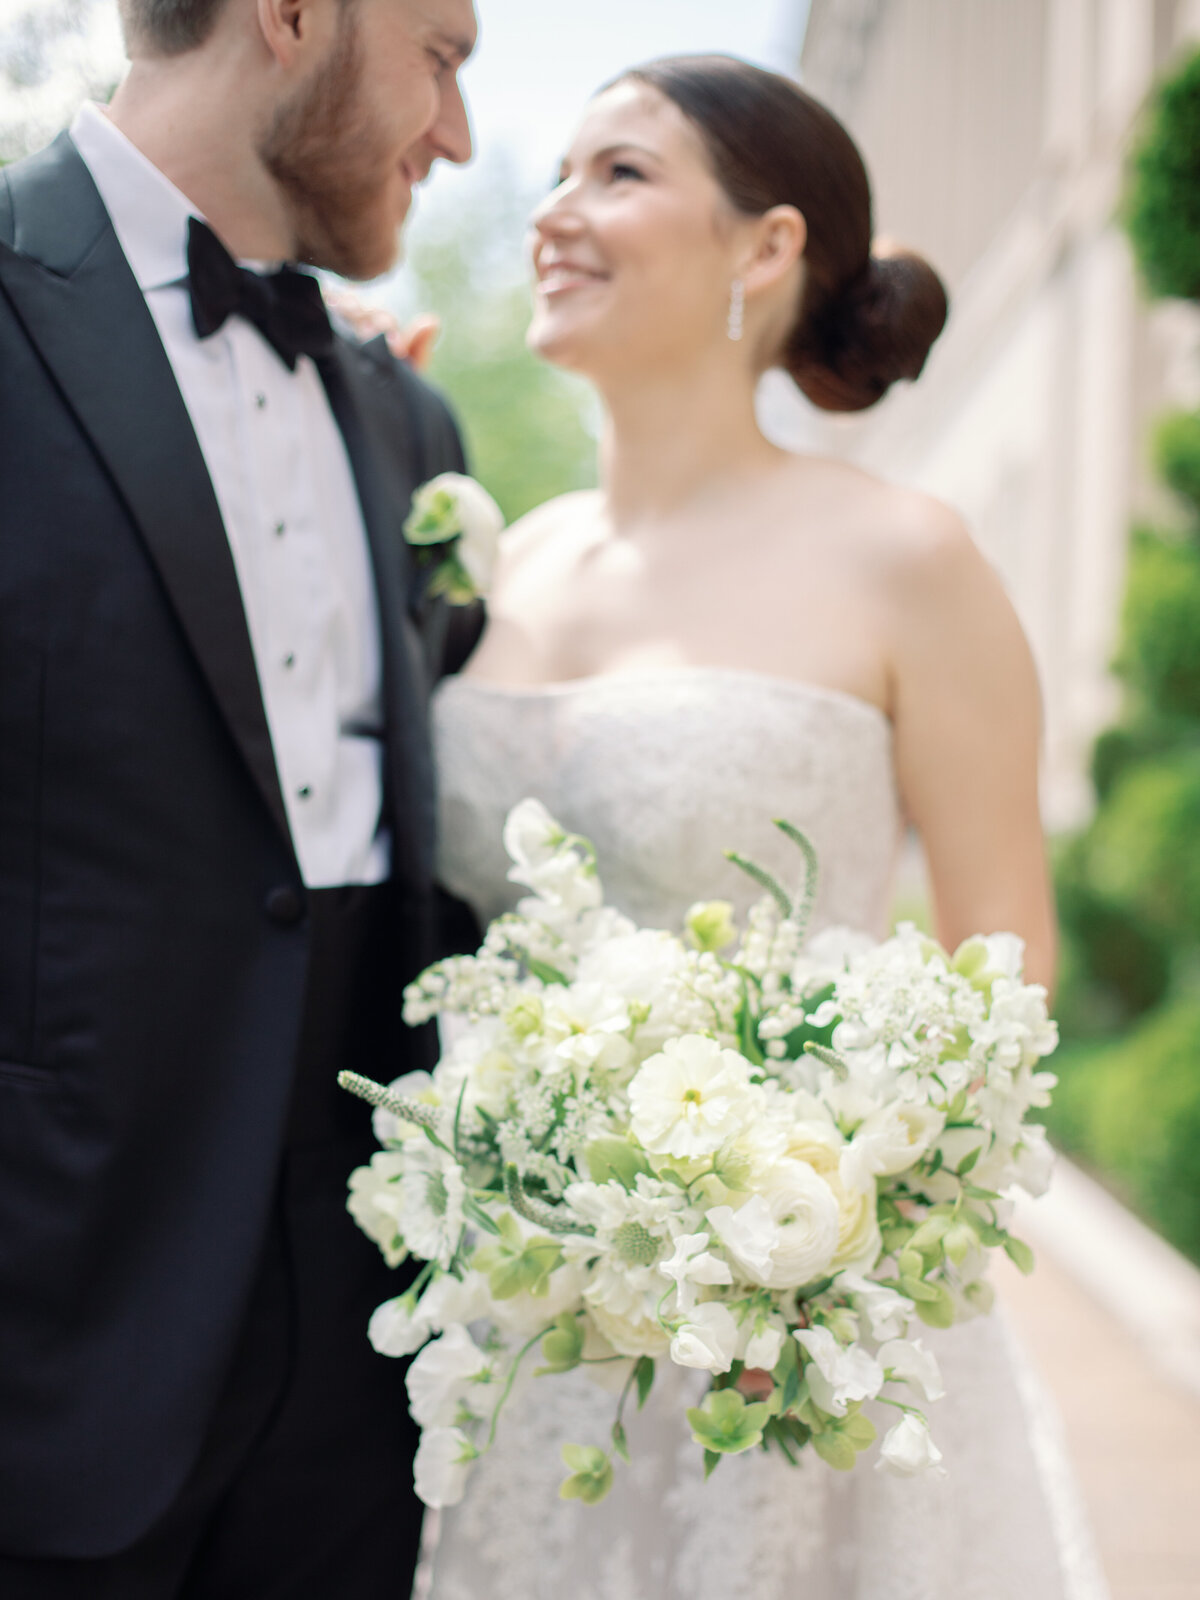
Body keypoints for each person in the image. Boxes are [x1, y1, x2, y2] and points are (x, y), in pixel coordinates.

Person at [420, 56, 1107, 1600]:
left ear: (766, 247)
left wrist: (807, 1226)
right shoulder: (509, 563)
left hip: (793, 1331)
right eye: (558, 175)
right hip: (522, 1318)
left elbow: (1006, 957)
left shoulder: (906, 558)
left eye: (620, 175)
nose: (553, 215)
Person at [0, 0, 479, 1595]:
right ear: (290, 16)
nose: (460, 132)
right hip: (49, 1354)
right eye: (444, 54)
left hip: (361, 1368)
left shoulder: (411, 422)